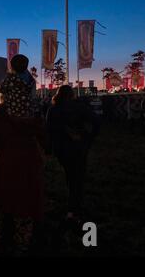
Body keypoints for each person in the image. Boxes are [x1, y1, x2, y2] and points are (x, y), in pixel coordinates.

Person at [0, 101, 45, 254]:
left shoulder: (2, 120)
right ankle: (37, 232)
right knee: (33, 192)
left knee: (8, 194)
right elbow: (43, 134)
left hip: (10, 160)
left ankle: (8, 232)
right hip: (31, 159)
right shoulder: (31, 116)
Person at [46, 85, 100, 223]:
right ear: (71, 95)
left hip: (62, 150)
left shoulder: (53, 109)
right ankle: (74, 209)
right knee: (77, 178)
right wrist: (88, 138)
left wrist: (51, 146)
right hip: (78, 148)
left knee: (71, 176)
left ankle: (73, 207)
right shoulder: (79, 107)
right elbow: (96, 122)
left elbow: (48, 130)